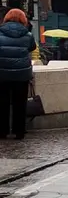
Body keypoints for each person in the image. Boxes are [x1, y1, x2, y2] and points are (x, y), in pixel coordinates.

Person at [0, 9, 36, 140]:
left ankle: (2, 131)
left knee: (2, 103)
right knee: (20, 103)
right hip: (21, 74)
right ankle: (19, 131)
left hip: (2, 74)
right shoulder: (27, 34)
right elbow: (32, 47)